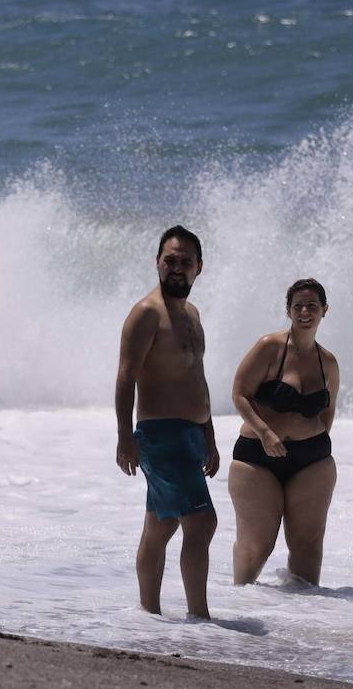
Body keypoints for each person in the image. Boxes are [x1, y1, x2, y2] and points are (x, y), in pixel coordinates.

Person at [114, 226, 220, 619]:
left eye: (185, 262)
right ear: (157, 262)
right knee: (202, 523)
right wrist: (125, 437)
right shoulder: (146, 314)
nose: (177, 268)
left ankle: (149, 615)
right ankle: (200, 617)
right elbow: (126, 377)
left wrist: (209, 436)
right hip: (161, 435)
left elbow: (198, 377)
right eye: (170, 260)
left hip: (190, 435)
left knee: (162, 525)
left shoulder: (191, 314)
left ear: (199, 268)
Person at [228, 279, 340, 586]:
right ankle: (239, 616)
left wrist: (316, 442)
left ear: (324, 311)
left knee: (307, 547)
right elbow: (239, 394)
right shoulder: (269, 347)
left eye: (312, 306)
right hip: (257, 458)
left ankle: (302, 624)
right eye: (298, 306)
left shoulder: (327, 362)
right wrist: (264, 432)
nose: (305, 312)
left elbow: (328, 409)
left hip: (312, 462)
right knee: (256, 548)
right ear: (288, 310)